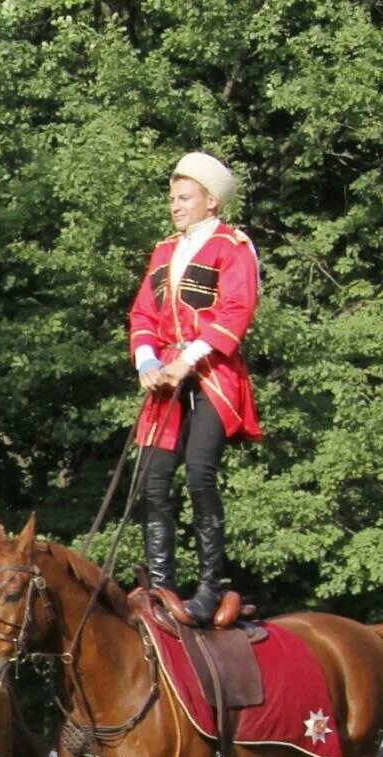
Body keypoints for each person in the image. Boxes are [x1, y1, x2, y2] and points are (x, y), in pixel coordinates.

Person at [128, 153, 262, 627]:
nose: (175, 206)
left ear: (211, 201)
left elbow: (236, 311)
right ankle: (161, 584)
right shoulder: (164, 251)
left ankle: (210, 587)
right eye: (172, 198)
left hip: (212, 375)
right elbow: (144, 313)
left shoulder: (233, 247)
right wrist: (147, 360)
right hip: (166, 377)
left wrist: (188, 359)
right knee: (152, 480)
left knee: (200, 473)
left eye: (184, 198)